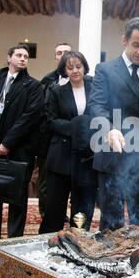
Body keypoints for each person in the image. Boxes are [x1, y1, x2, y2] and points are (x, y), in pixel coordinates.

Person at [88, 17, 139, 232]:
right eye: (136, 45)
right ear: (124, 41)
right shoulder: (105, 69)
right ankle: (108, 263)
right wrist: (109, 129)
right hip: (111, 156)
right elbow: (96, 106)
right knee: (111, 219)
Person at [0, 44, 44, 240]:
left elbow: (30, 118)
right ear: (9, 58)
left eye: (26, 56)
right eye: (19, 55)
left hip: (18, 151)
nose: (23, 58)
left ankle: (14, 240)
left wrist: (7, 144)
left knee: (17, 200)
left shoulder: (33, 86)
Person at [39, 51, 97, 233]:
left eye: (78, 66)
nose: (75, 71)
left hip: (87, 154)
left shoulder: (95, 86)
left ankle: (79, 241)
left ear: (84, 67)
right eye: (70, 67)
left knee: (83, 205)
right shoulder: (56, 91)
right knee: (55, 206)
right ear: (64, 69)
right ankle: (48, 242)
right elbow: (50, 121)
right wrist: (77, 126)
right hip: (62, 155)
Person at [36, 42, 72, 220]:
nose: (63, 55)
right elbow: (42, 112)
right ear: (55, 57)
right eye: (59, 52)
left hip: (71, 140)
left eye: (67, 52)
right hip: (48, 140)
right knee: (46, 180)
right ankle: (46, 212)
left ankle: (64, 213)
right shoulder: (47, 80)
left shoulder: (81, 79)